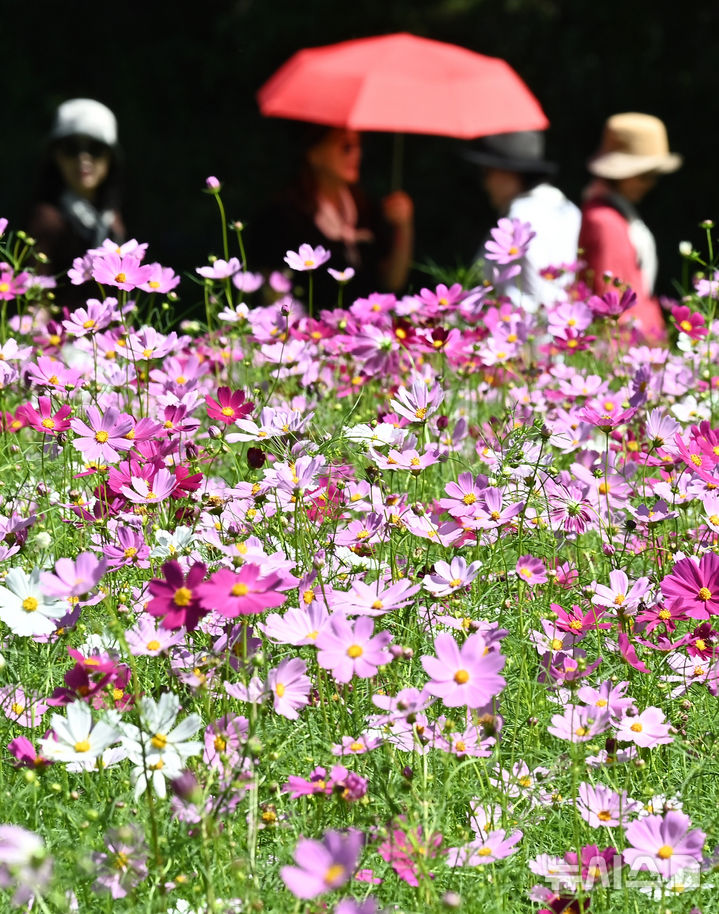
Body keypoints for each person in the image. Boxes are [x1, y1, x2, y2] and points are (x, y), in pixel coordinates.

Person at [250, 126, 414, 306]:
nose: (356, 154)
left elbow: (392, 282)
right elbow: (271, 297)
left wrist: (403, 226)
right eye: (346, 146)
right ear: (313, 152)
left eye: (359, 145)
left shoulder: (366, 208)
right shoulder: (283, 217)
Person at [579, 113, 682, 339]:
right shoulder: (605, 221)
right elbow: (613, 303)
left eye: (655, 176)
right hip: (626, 347)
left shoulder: (615, 213)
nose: (651, 184)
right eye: (645, 176)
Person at [465, 130, 581, 311]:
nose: (485, 183)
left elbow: (529, 290)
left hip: (521, 327)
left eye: (488, 172)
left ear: (509, 173)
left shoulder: (520, 212)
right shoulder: (568, 208)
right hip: (561, 321)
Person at [28, 98, 125, 305]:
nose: (83, 159)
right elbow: (36, 298)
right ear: (56, 156)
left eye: (95, 148)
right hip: (65, 333)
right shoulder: (48, 219)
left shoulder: (112, 217)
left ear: (110, 158)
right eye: (71, 148)